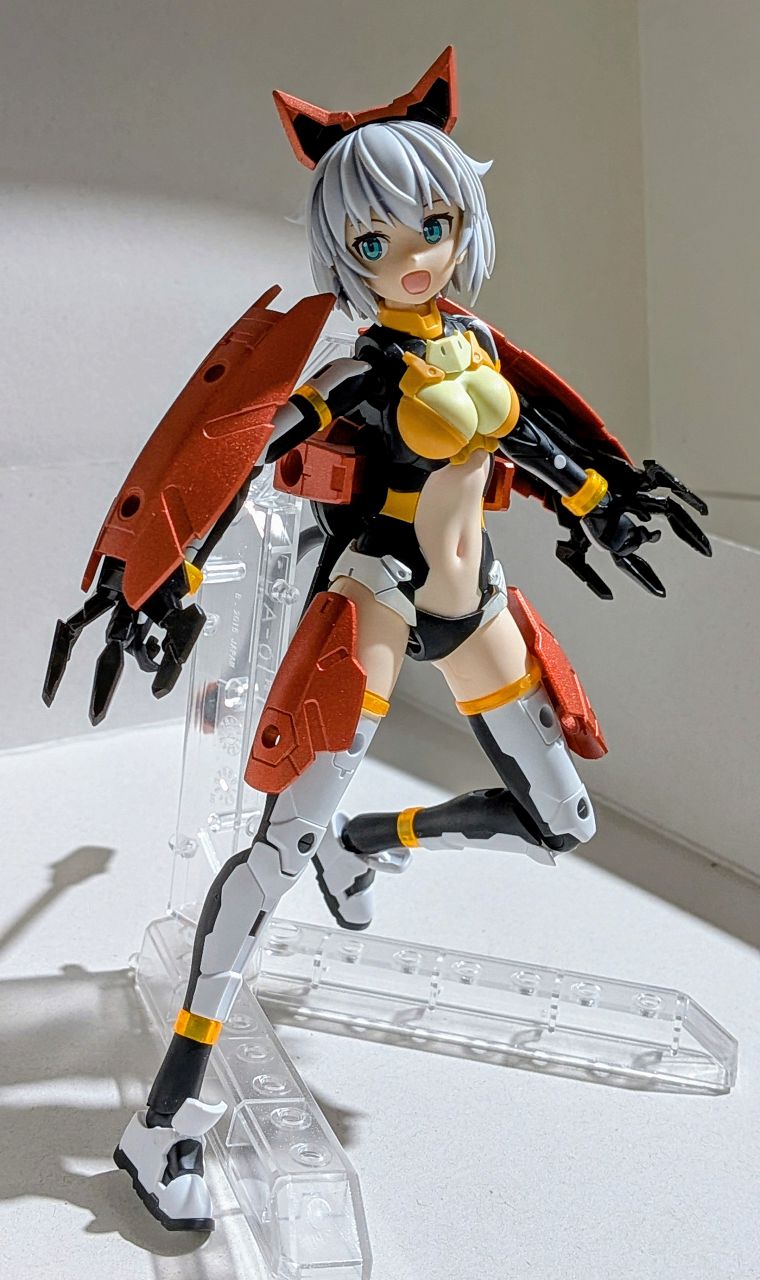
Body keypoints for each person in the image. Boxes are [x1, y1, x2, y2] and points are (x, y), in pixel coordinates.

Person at [44, 47, 711, 1231]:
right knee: (273, 854)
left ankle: (371, 838)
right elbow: (252, 439)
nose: (411, 254)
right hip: (381, 599)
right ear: (341, 250)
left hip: (477, 599)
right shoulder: (361, 370)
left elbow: (521, 440)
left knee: (560, 819)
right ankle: (162, 1122)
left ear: (462, 221)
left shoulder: (474, 343)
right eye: (373, 239)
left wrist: (597, 497)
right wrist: (174, 561)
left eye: (433, 225)